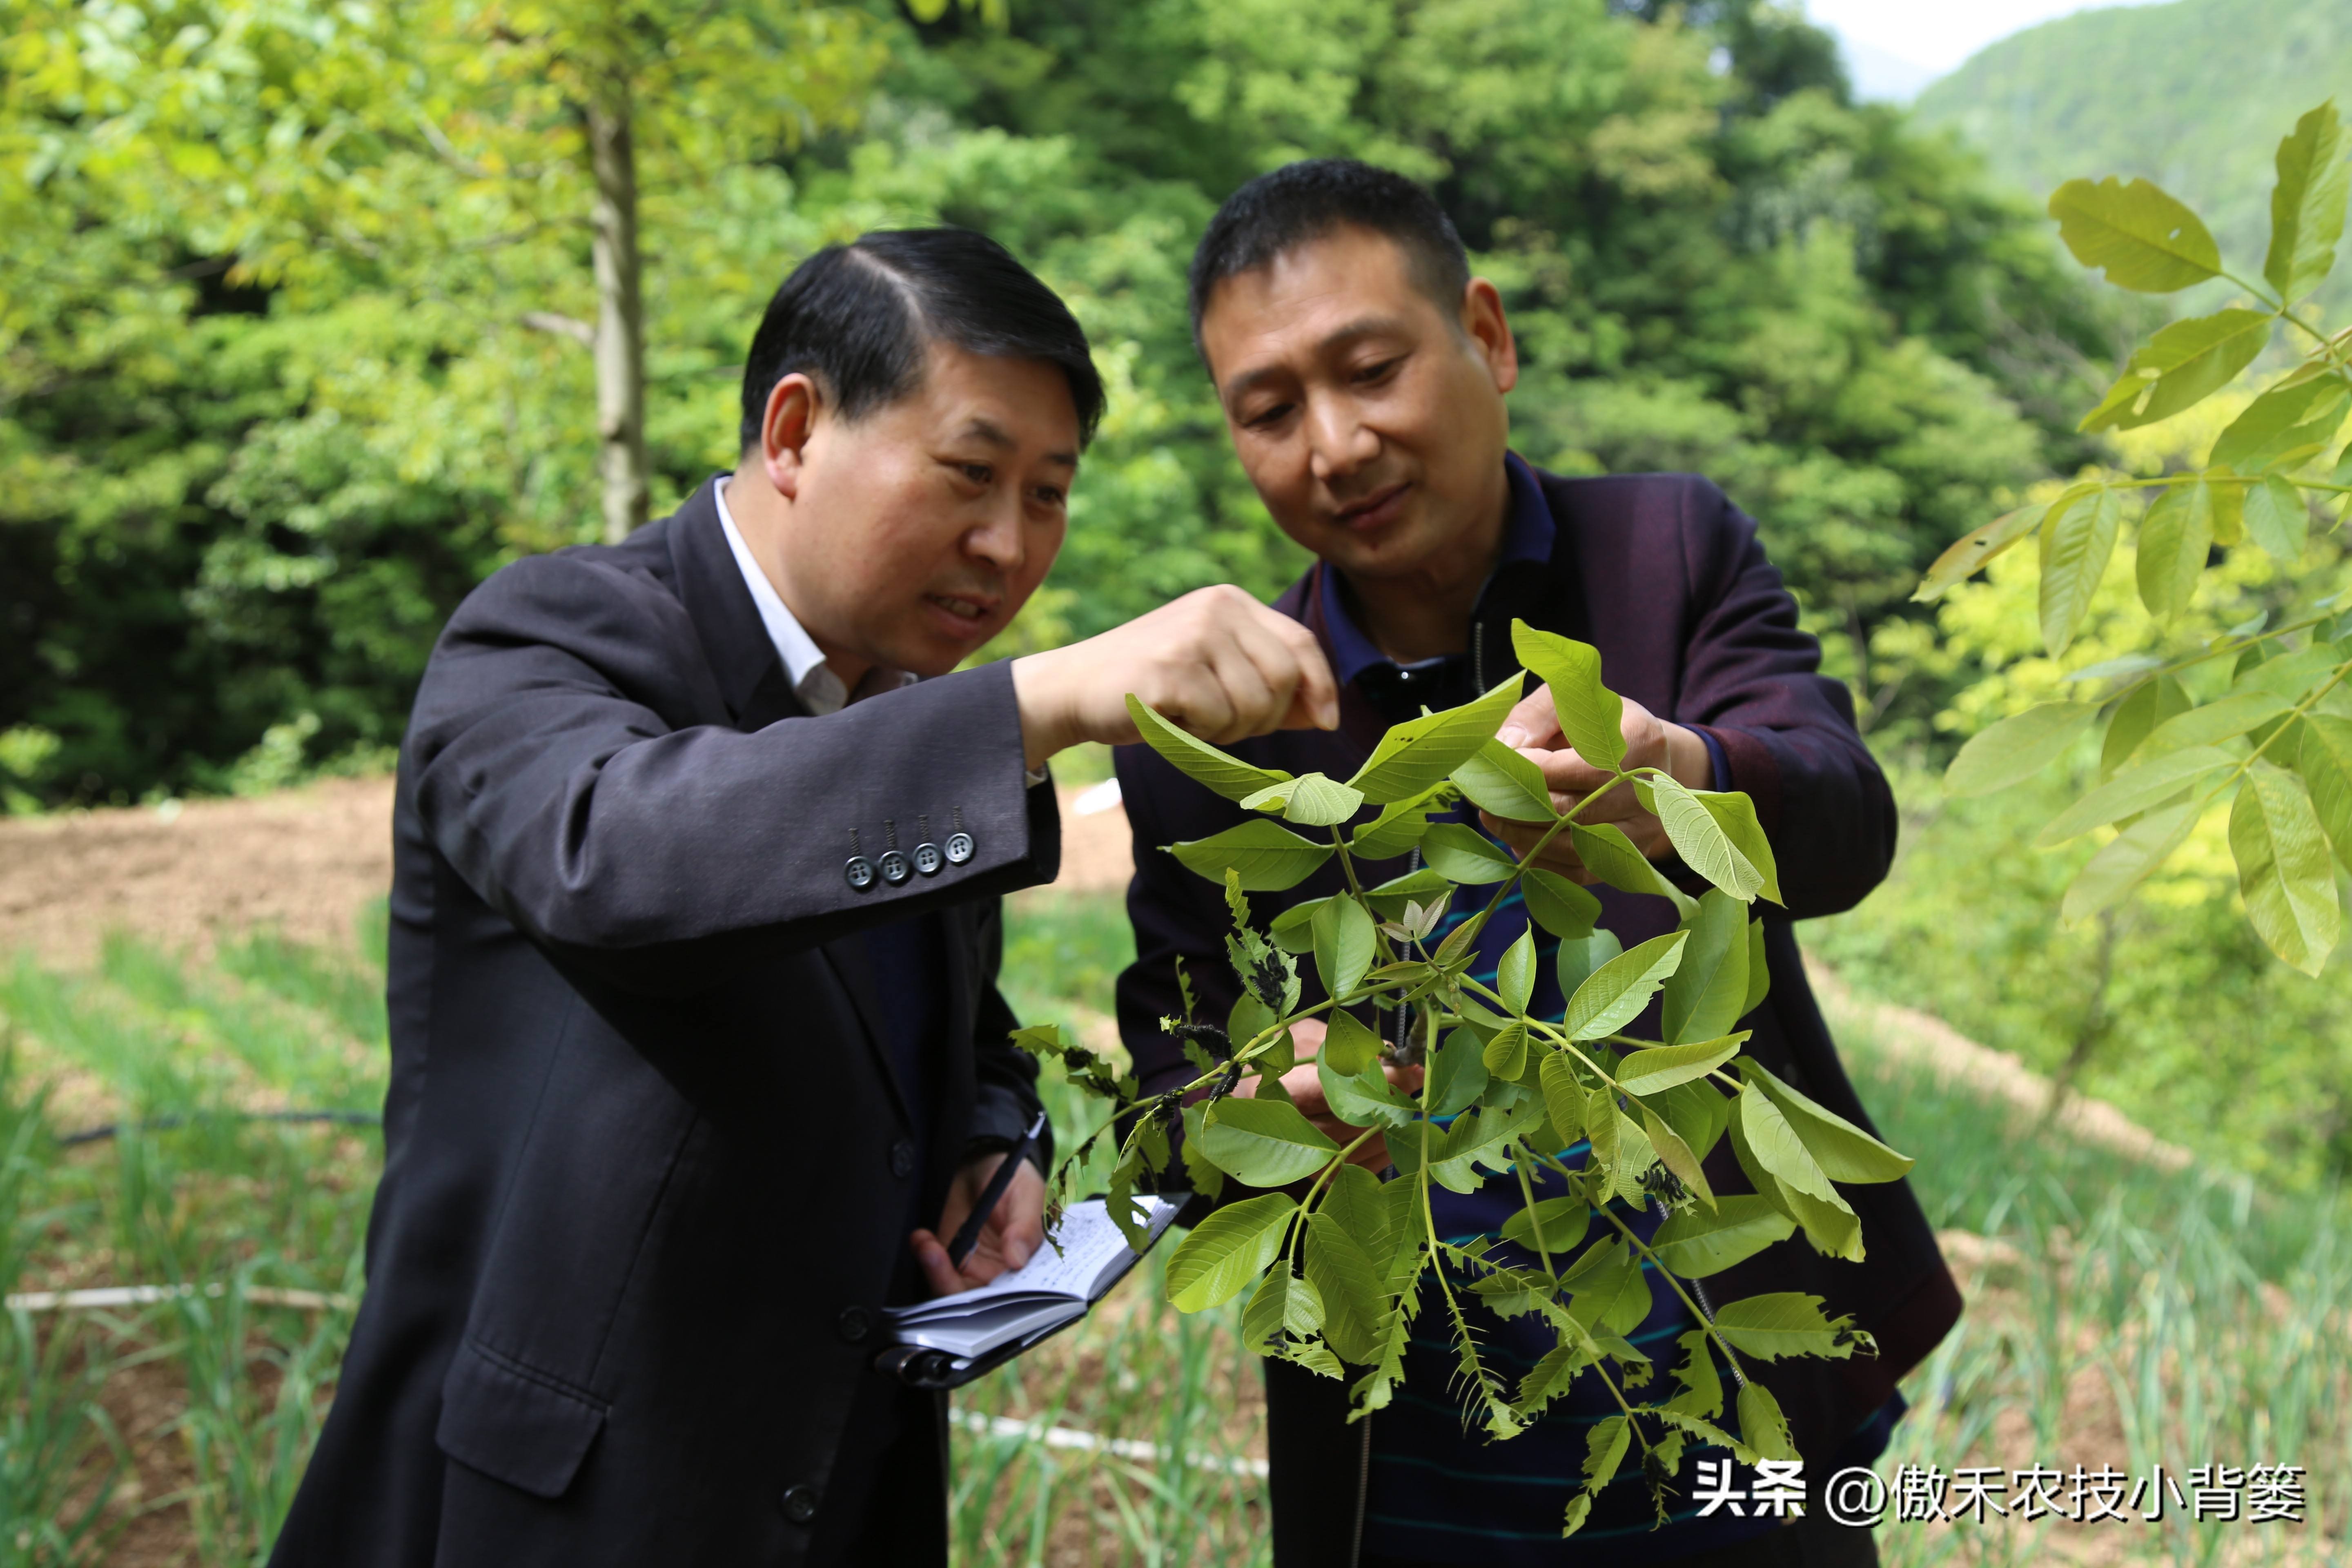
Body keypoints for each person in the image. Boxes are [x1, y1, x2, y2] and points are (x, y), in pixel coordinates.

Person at [270, 227, 1339, 1568]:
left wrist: (984, 1140)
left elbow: (944, 1027)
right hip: (562, 1509)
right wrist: (1040, 698)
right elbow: (620, 860)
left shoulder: (897, 709)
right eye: (970, 474)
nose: (1009, 545)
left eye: (1049, 496)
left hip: (834, 1486)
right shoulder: (548, 638)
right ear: (793, 431)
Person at [1113, 161, 1960, 1567]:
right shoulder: (1219, 728)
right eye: (1268, 412)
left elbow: (1844, 817)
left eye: (1370, 369)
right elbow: (1178, 1042)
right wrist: (1250, 1092)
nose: (1332, 446)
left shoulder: (1669, 549)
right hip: (1413, 1417)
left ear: (1487, 339)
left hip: (1727, 1356)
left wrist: (1681, 777)